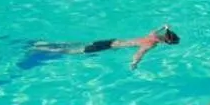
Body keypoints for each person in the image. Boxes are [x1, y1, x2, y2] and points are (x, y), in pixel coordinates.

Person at [33, 26, 180, 70]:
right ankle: (44, 49)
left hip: (110, 41)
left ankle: (42, 44)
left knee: (78, 44)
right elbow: (139, 53)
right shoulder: (151, 44)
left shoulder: (152, 35)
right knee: (73, 52)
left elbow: (157, 29)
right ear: (166, 42)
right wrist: (134, 63)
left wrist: (165, 27)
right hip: (108, 47)